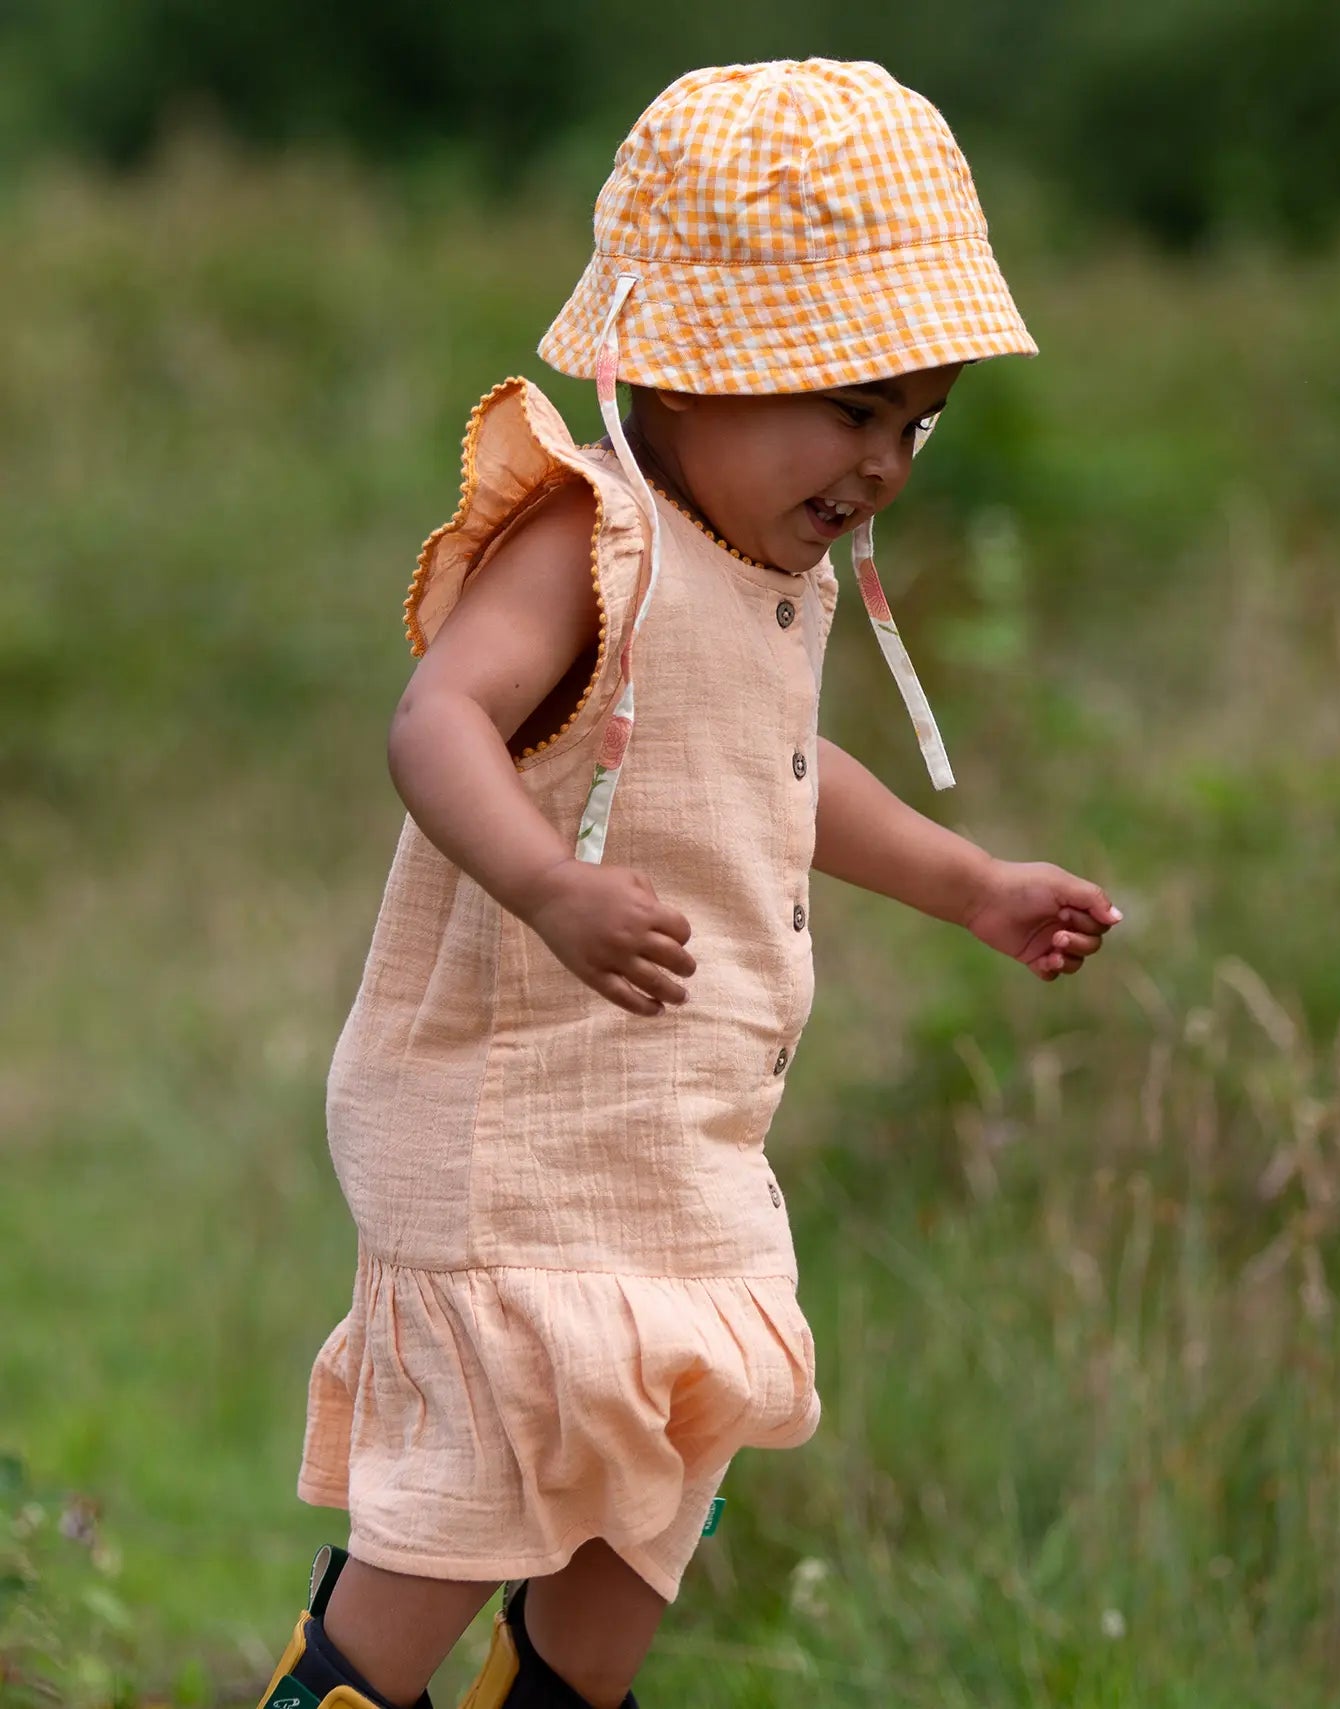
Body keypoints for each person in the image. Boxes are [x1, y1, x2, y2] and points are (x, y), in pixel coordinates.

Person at [254, 57, 1122, 1709]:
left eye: (915, 423)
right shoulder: (593, 536)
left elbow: (778, 783)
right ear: (705, 363)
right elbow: (439, 721)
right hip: (515, 1158)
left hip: (671, 1166)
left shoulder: (754, 580)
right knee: (445, 1541)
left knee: (622, 1570)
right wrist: (547, 887)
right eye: (852, 408)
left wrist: (972, 884)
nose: (884, 464)